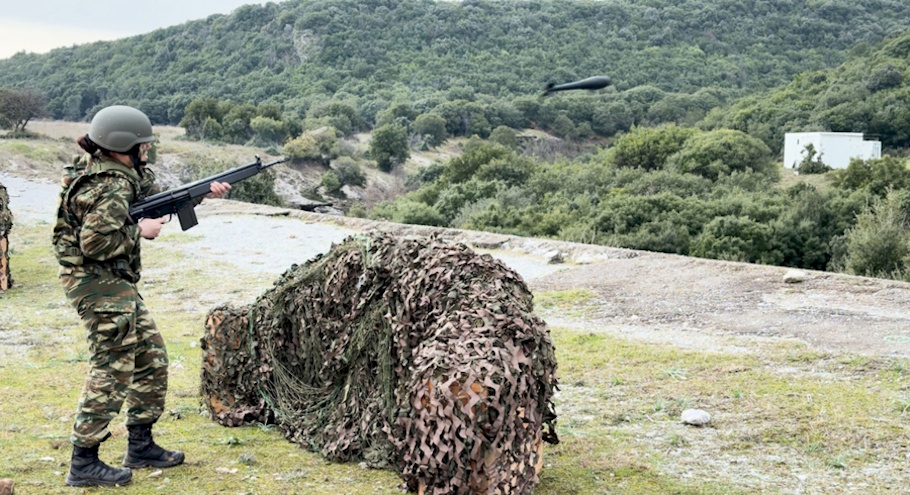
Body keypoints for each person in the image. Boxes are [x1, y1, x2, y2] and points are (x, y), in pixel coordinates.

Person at [52, 105, 230, 487]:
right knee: (113, 364)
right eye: (142, 145)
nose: (147, 151)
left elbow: (155, 200)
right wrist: (141, 231)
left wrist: (199, 196)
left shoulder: (115, 172)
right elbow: (95, 242)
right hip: (96, 282)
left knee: (151, 358)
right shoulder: (112, 186)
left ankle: (141, 445)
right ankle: (83, 461)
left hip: (113, 281)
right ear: (123, 145)